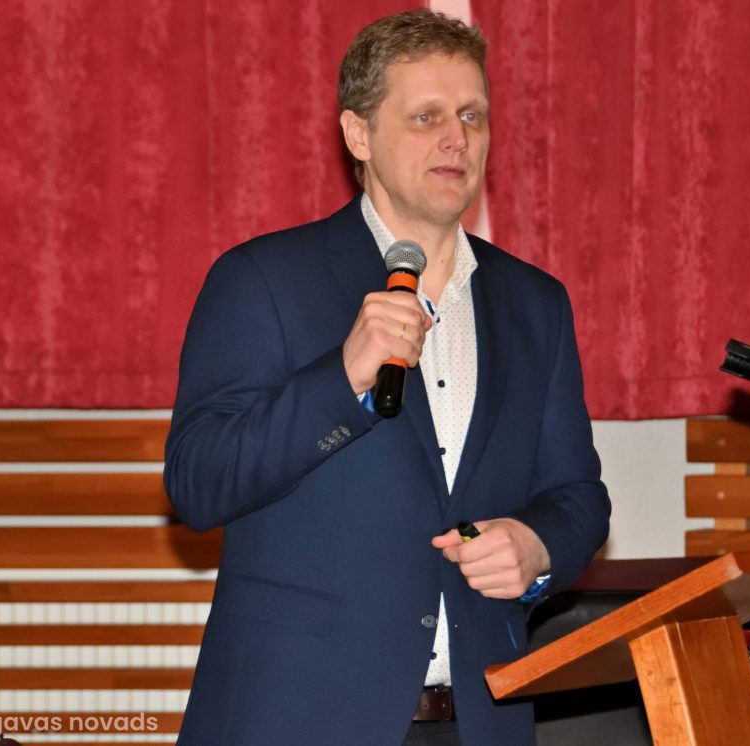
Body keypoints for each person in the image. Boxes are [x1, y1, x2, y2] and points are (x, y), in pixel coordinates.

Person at [164, 9, 610, 745]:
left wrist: (539, 548)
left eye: (472, 115)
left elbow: (578, 495)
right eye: (426, 116)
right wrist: (341, 377)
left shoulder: (536, 304)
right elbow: (198, 483)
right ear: (359, 134)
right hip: (302, 719)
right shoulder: (263, 280)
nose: (457, 138)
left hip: (479, 719)